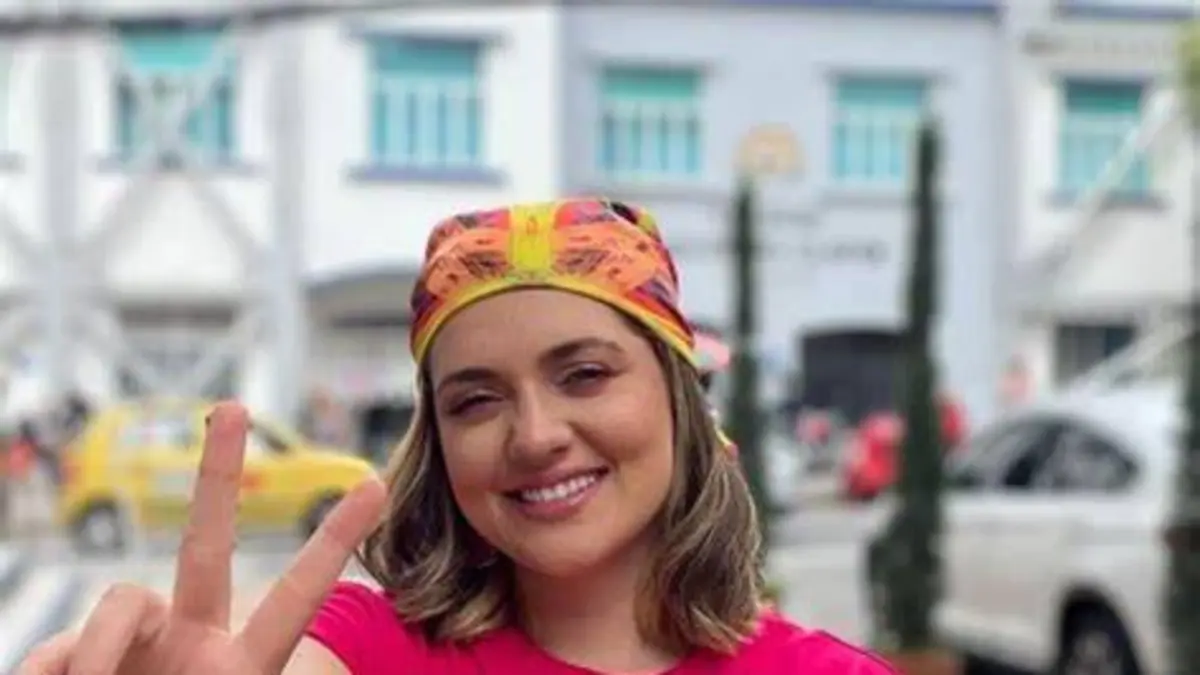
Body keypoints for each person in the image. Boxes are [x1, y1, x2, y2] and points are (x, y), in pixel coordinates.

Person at [18, 199, 895, 674]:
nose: (536, 435)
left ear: (679, 399)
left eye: (585, 373)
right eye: (476, 400)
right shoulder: (366, 648)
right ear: (438, 442)